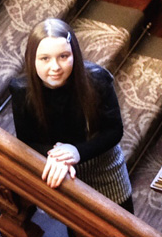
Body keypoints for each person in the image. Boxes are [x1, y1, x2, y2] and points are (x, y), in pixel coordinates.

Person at [9, 18, 133, 210]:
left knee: (122, 219)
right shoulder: (21, 90)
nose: (55, 67)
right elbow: (26, 141)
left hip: (101, 162)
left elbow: (114, 130)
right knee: (75, 220)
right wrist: (59, 158)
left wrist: (77, 152)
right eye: (45, 58)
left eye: (63, 56)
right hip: (59, 167)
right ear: (31, 59)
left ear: (75, 54)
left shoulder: (97, 79)